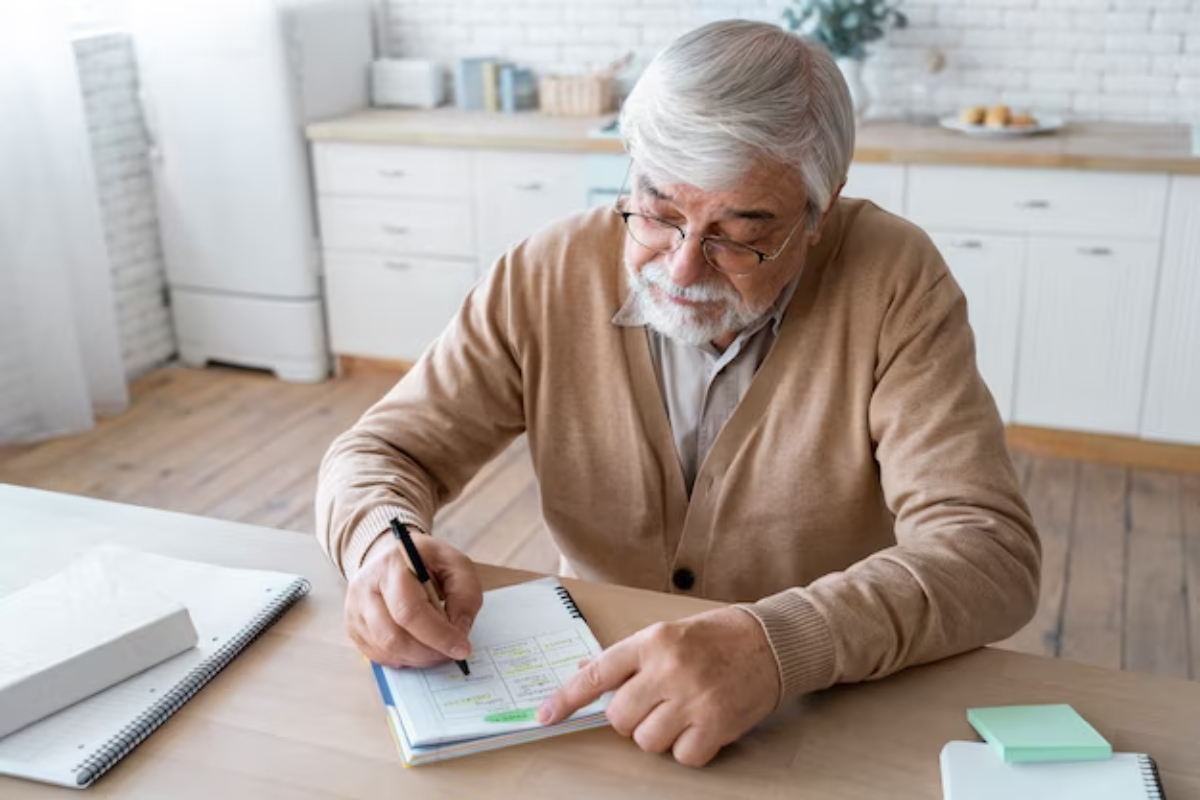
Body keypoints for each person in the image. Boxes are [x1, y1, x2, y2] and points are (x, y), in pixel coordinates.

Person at [315, 20, 1040, 768]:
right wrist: (379, 545)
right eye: (659, 214)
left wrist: (777, 644)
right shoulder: (545, 272)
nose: (685, 268)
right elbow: (380, 450)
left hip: (814, 709)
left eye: (739, 234)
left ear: (820, 212)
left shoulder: (895, 281)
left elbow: (988, 552)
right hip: (593, 707)